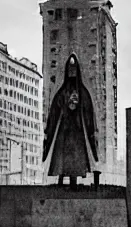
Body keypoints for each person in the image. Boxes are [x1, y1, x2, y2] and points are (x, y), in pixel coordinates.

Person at [42, 54, 98, 187]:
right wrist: (48, 132)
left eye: (74, 69)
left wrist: (92, 134)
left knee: (75, 162)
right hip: (65, 130)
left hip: (76, 130)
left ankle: (72, 182)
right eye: (70, 70)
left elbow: (89, 114)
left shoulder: (82, 92)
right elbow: (54, 114)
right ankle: (61, 181)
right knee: (61, 161)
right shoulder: (62, 92)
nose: (72, 73)